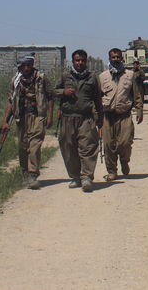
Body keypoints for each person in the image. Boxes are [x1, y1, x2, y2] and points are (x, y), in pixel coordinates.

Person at [0, 54, 53, 190]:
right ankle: (25, 173)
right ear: (20, 66)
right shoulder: (15, 81)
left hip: (37, 116)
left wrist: (50, 115)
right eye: (24, 65)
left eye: (29, 65)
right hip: (21, 117)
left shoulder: (41, 78)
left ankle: (33, 174)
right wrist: (5, 121)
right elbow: (10, 101)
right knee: (23, 146)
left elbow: (50, 96)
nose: (27, 68)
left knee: (35, 145)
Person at [55, 49, 103, 193]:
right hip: (68, 118)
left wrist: (100, 117)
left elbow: (98, 99)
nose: (80, 63)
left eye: (82, 60)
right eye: (77, 60)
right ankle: (75, 177)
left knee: (88, 147)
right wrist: (63, 92)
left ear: (86, 61)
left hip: (86, 118)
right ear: (73, 61)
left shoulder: (92, 78)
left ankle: (87, 177)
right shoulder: (65, 76)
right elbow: (52, 91)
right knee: (68, 148)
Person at [99, 48, 143, 181]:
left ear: (122, 58)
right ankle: (112, 171)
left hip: (124, 114)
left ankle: (124, 161)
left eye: (118, 57)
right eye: (113, 57)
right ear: (109, 59)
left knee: (124, 143)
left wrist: (139, 110)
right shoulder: (103, 76)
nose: (116, 59)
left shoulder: (130, 75)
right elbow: (98, 97)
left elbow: (137, 94)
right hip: (108, 115)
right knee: (108, 145)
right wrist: (96, 116)